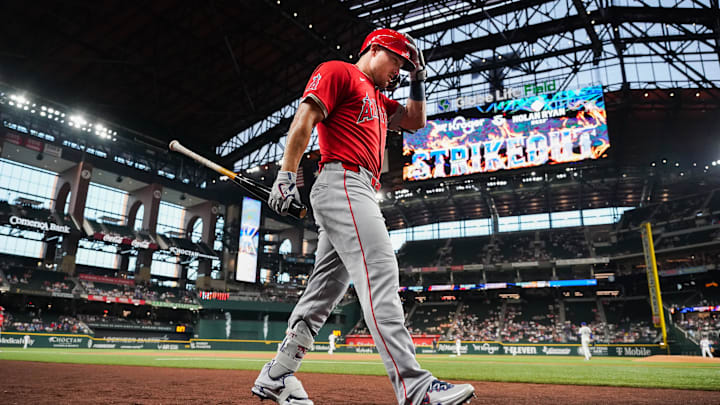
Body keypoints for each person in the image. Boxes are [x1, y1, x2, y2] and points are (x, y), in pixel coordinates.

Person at [252, 28, 475, 405]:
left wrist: (420, 77)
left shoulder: (379, 97)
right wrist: (287, 176)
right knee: (381, 271)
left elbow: (416, 120)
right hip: (342, 180)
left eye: (406, 68)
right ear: (374, 49)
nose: (399, 72)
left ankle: (276, 375)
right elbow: (303, 121)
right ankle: (415, 387)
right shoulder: (339, 71)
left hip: (358, 188)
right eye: (397, 62)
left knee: (323, 294)